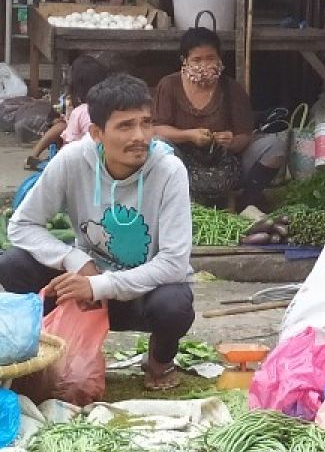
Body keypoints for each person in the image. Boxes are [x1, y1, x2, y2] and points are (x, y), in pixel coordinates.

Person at [0, 74, 194, 390]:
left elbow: (174, 262)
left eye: (146, 123)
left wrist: (99, 285)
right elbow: (22, 225)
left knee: (175, 303)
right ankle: (47, 352)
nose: (140, 136)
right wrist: (75, 260)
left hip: (139, 293)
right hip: (82, 287)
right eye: (125, 126)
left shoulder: (169, 170)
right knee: (13, 264)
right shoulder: (73, 159)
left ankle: (159, 362)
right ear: (96, 132)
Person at [152, 27, 286, 209]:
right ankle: (178, 202)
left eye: (210, 58)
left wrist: (230, 142)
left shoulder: (231, 88)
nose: (204, 66)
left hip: (227, 165)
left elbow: (244, 135)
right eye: (197, 60)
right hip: (183, 161)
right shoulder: (169, 85)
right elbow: (158, 129)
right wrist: (189, 136)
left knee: (274, 147)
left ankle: (246, 201)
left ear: (219, 59)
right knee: (159, 145)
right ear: (184, 61)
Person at [26, 55, 109, 169]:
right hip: (102, 149)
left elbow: (70, 142)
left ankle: (41, 157)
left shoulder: (79, 109)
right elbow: (52, 118)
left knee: (61, 126)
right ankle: (35, 156)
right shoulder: (109, 105)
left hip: (77, 150)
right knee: (61, 124)